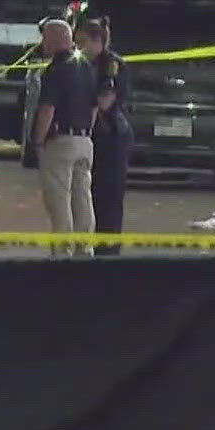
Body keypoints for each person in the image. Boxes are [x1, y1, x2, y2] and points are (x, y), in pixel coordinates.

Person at [32, 18, 98, 256]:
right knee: (82, 195)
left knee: (59, 199)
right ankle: (85, 246)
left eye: (45, 38)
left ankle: (62, 249)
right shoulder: (86, 66)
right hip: (84, 140)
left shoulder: (55, 69)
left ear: (54, 39)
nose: (43, 43)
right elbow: (94, 107)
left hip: (60, 141)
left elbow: (47, 108)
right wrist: (86, 133)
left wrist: (38, 140)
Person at [78, 18, 132, 255]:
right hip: (95, 136)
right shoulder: (83, 64)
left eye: (82, 43)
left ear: (98, 41)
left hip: (110, 136)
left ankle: (108, 251)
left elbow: (105, 100)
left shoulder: (110, 64)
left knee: (108, 197)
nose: (78, 48)